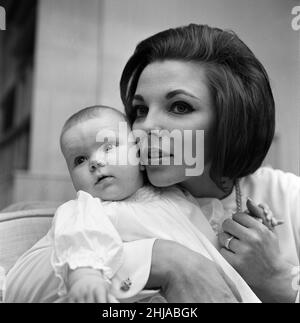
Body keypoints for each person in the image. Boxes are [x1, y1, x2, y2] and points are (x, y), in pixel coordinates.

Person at [5, 23, 300, 303]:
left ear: (233, 119)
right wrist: (162, 259)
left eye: (180, 106)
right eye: (140, 109)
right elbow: (21, 285)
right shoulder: (119, 199)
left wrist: (280, 283)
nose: (143, 127)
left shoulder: (288, 195)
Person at [51, 104, 260, 303]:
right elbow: (78, 239)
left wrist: (244, 224)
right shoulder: (88, 209)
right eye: (80, 159)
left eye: (108, 147)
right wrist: (85, 276)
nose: (95, 162)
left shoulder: (174, 193)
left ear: (140, 155)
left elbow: (209, 227)